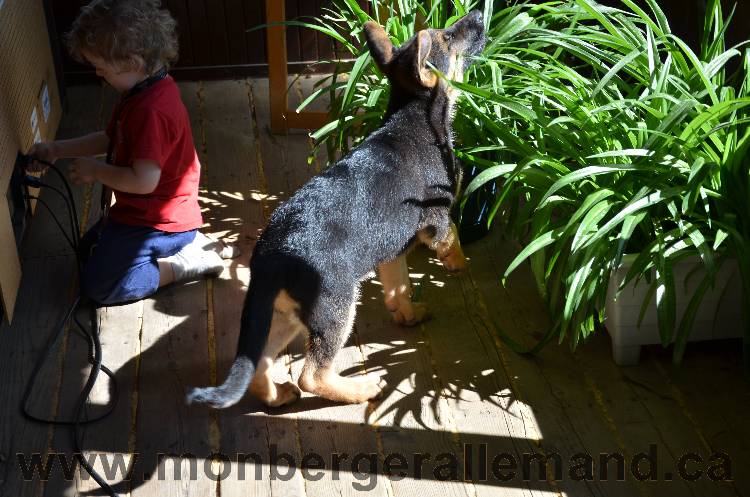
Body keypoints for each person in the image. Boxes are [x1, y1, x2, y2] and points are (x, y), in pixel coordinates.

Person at [27, 0, 237, 305]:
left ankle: (184, 262)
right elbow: (110, 138)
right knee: (88, 251)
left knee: (99, 286)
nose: (99, 74)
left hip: (161, 221)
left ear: (134, 62)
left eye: (102, 68)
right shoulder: (142, 90)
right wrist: (57, 149)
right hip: (139, 210)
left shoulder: (151, 110)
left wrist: (96, 171)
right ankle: (179, 247)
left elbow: (144, 182)